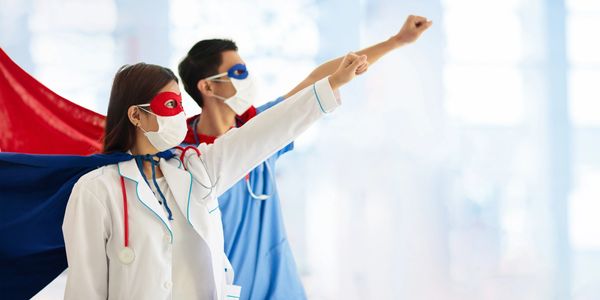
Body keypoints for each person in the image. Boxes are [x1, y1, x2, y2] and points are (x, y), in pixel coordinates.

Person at [61, 51, 368, 299]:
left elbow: (265, 132)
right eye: (170, 104)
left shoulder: (196, 168)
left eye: (180, 104)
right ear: (136, 115)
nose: (181, 114)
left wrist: (334, 82)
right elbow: (85, 291)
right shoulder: (95, 191)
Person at [177, 14, 432, 299]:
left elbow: (316, 81)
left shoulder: (262, 127)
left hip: (280, 287)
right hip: (224, 289)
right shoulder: (184, 155)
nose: (248, 80)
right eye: (238, 73)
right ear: (207, 87)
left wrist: (395, 41)